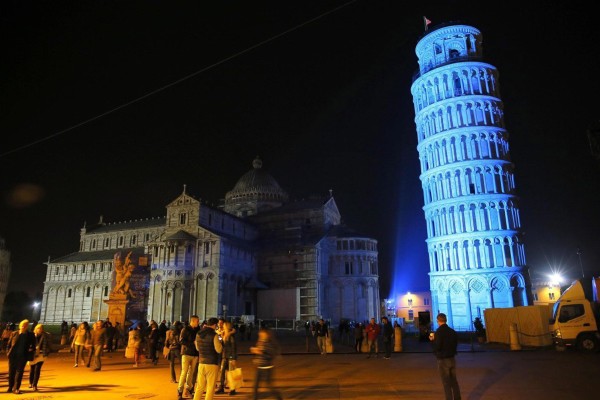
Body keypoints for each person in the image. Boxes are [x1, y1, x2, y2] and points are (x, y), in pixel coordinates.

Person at [430, 313, 461, 400]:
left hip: (443, 360)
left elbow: (437, 347)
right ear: (445, 320)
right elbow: (455, 344)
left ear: (438, 321)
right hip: (452, 358)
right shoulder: (452, 331)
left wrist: (432, 341)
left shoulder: (438, 333)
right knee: (454, 381)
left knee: (446, 382)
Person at [192, 317, 223, 400]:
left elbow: (197, 348)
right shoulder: (214, 335)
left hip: (201, 362)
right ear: (214, 325)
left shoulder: (198, 333)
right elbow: (219, 349)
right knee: (210, 387)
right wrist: (221, 342)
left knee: (199, 387)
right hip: (212, 363)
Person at [250, 327, 282, 400]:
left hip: (267, 368)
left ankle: (279, 398)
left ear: (267, 335)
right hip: (259, 367)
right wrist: (255, 355)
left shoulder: (269, 343)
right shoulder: (260, 342)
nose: (260, 334)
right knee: (255, 386)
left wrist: (260, 352)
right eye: (260, 333)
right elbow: (259, 352)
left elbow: (270, 355)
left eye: (262, 333)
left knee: (270, 386)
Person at [7, 319, 36, 394]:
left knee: (19, 372)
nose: (23, 326)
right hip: (13, 356)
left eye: (25, 325)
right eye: (22, 325)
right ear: (20, 326)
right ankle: (10, 386)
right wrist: (8, 353)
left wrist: (31, 349)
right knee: (11, 372)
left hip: (23, 356)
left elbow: (33, 345)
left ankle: (16, 388)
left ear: (27, 327)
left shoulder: (30, 335)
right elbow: (9, 344)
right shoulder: (14, 333)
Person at [178, 315, 201, 399]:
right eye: (197, 321)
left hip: (195, 354)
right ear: (193, 321)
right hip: (186, 353)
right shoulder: (185, 329)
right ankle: (180, 391)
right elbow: (181, 340)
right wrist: (193, 344)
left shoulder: (198, 330)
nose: (198, 323)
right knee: (184, 372)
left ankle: (188, 389)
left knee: (191, 373)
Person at [216, 321, 237, 395]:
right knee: (222, 372)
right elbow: (220, 343)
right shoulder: (223, 334)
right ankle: (221, 387)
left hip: (230, 357)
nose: (222, 326)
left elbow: (233, 348)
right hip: (224, 356)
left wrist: (233, 358)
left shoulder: (231, 336)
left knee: (231, 373)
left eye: (224, 325)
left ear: (227, 327)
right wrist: (220, 336)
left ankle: (233, 389)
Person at [28, 323, 51, 391]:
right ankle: (30, 382)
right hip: (33, 354)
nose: (39, 330)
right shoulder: (32, 335)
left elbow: (49, 344)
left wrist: (47, 351)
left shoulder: (45, 335)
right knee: (32, 369)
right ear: (35, 329)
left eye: (41, 328)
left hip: (41, 354)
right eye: (38, 328)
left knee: (37, 369)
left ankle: (35, 385)